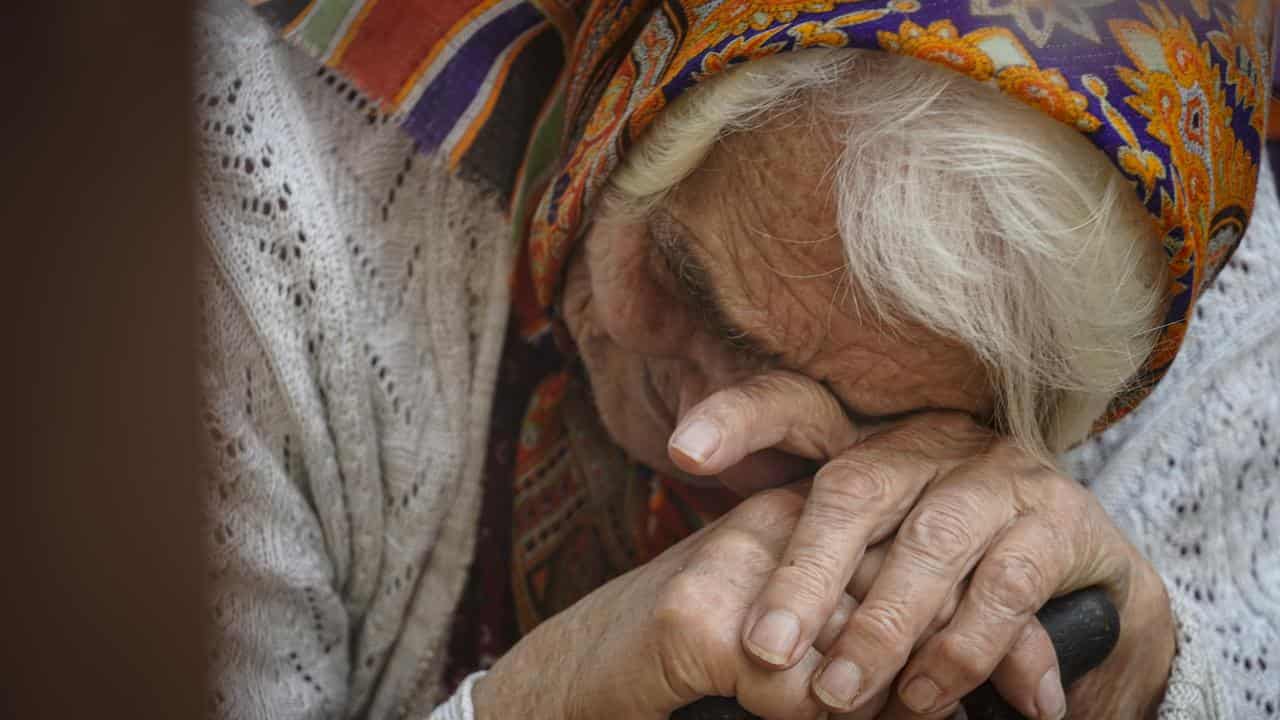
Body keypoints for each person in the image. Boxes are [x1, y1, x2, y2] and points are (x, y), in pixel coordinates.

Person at [197, 1, 1280, 718]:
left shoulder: (1185, 268)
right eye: (685, 276)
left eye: (860, 419)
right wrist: (544, 700)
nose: (699, 433)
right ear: (628, 84)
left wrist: (1140, 665)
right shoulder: (237, 190)